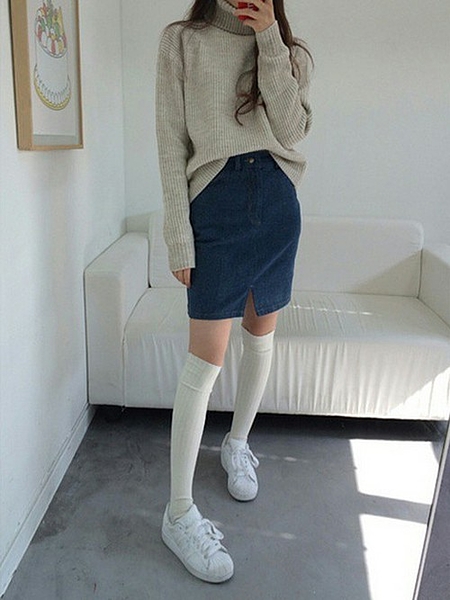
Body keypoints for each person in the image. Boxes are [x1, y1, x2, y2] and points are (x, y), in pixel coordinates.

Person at [155, 0, 312, 583]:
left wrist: (269, 39)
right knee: (205, 361)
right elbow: (170, 141)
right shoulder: (183, 41)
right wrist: (178, 234)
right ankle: (178, 512)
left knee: (261, 337)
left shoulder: (290, 52)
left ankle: (237, 443)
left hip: (277, 203)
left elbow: (293, 131)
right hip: (214, 206)